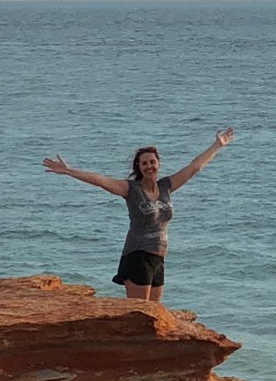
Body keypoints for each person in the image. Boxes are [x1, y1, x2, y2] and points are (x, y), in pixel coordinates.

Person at [42, 128, 234, 302]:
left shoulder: (166, 186)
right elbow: (101, 181)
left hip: (158, 259)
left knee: (155, 313)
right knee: (141, 313)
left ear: (158, 164)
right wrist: (68, 171)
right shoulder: (130, 189)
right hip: (137, 256)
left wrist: (217, 145)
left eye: (152, 161)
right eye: (144, 163)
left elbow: (194, 167)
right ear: (138, 167)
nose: (149, 166)